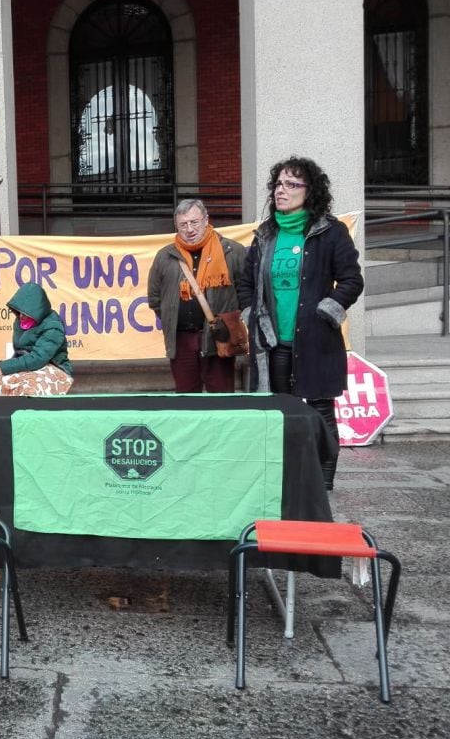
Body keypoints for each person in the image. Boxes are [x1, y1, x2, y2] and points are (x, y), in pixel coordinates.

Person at [238, 156, 364, 490]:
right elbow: (246, 283)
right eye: (278, 184)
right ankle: (288, 475)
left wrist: (327, 311)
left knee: (321, 408)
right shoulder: (265, 235)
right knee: (280, 411)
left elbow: (352, 280)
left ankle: (323, 480)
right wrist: (251, 314)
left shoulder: (330, 231)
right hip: (273, 340)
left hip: (315, 339)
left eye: (291, 184)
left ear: (310, 191)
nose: (282, 190)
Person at [147, 199, 247, 392]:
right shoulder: (165, 256)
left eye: (194, 222)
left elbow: (245, 290)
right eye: (183, 225)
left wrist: (231, 323)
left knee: (221, 397)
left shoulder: (232, 251)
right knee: (186, 399)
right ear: (176, 226)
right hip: (181, 338)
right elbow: (155, 297)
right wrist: (171, 317)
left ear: (206, 219)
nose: (189, 229)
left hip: (219, 337)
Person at [0, 282, 73, 396]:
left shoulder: (53, 326)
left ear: (36, 310)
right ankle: (3, 414)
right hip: (28, 364)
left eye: (25, 312)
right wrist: (5, 369)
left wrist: (4, 367)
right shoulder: (20, 321)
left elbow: (38, 358)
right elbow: (20, 351)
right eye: (19, 311)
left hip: (54, 367)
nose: (21, 315)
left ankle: (28, 414)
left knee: (28, 389)